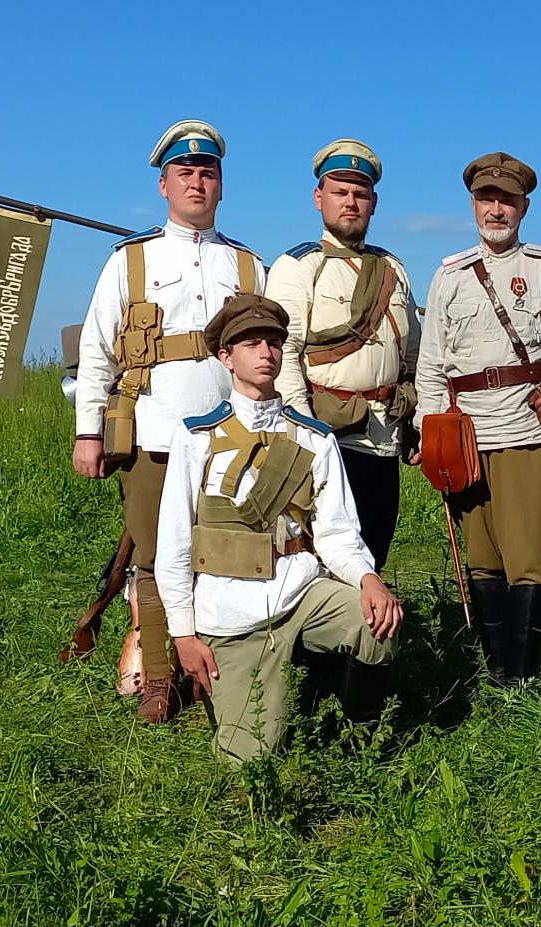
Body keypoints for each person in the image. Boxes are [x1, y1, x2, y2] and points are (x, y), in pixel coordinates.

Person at [72, 120, 266, 722]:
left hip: (228, 436)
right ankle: (159, 680)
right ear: (164, 185)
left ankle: (220, 669)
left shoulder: (246, 265)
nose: (197, 183)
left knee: (226, 553)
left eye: (208, 173)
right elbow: (97, 349)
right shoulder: (131, 261)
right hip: (154, 432)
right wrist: (88, 431)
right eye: (185, 173)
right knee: (156, 560)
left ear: (221, 186)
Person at [155, 295, 402, 764]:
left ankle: (361, 744)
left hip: (301, 592)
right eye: (250, 343)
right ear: (226, 357)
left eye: (273, 341)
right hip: (231, 612)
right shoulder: (196, 438)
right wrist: (184, 636)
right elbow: (174, 547)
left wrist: (369, 580)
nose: (265, 352)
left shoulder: (313, 437)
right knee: (251, 762)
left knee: (377, 622)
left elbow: (337, 532)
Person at [415, 152, 541, 686]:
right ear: (473, 205)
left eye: (507, 200)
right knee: (481, 557)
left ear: (525, 206)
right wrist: (432, 433)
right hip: (467, 436)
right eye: (487, 199)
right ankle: (496, 667)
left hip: (524, 431)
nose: (497, 210)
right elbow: (430, 366)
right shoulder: (448, 276)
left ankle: (525, 675)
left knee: (527, 558)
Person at [265, 139, 420, 571]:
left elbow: (412, 354)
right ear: (319, 199)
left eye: (360, 193)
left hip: (384, 438)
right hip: (328, 438)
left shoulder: (393, 269)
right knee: (321, 562)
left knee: (373, 556)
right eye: (340, 191)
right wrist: (303, 429)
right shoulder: (298, 266)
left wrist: (413, 422)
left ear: (373, 202)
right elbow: (285, 354)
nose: (350, 202)